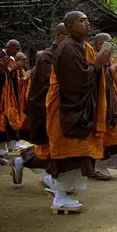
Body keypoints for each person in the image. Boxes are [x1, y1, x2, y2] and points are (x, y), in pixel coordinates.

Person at [46, 11, 109, 213]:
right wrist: (97, 64)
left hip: (80, 107)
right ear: (70, 27)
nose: (87, 23)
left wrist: (100, 65)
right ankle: (60, 196)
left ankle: (62, 193)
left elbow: (88, 74)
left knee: (78, 150)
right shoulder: (67, 49)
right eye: (81, 20)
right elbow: (76, 81)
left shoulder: (84, 47)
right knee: (67, 151)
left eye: (87, 19)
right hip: (66, 109)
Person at [10, 23, 68, 190]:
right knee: (52, 149)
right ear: (57, 35)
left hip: (66, 109)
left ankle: (54, 181)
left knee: (58, 148)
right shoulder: (47, 57)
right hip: (49, 109)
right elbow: (45, 88)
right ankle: (52, 182)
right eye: (66, 35)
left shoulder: (68, 53)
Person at [91, 33, 117, 180]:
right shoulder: (94, 57)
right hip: (101, 105)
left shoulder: (111, 60)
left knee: (114, 136)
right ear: (100, 43)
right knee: (102, 135)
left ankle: (100, 165)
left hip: (114, 104)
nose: (113, 46)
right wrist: (114, 67)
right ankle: (96, 166)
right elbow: (93, 78)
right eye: (110, 43)